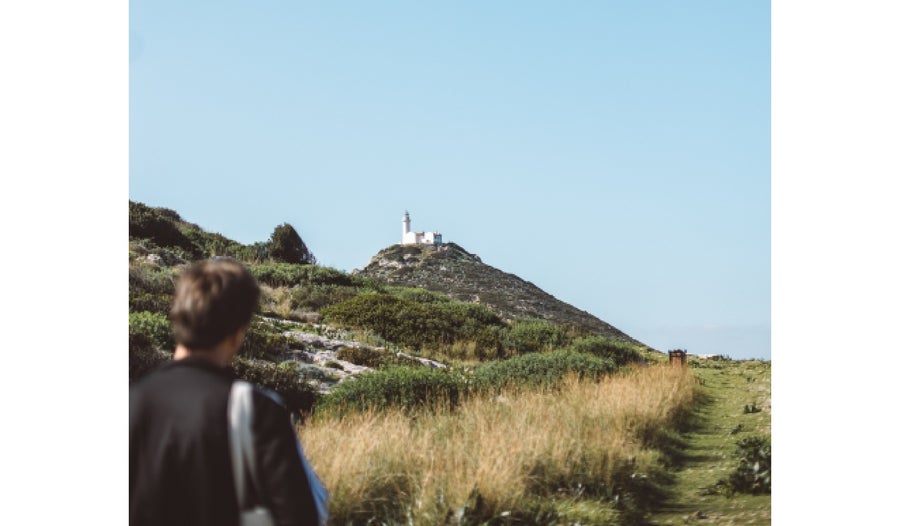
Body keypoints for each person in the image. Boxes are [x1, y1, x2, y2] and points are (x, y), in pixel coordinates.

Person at [130, 258, 323, 526]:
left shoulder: (132, 403)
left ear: (177, 318)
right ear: (237, 332)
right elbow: (304, 516)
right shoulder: (255, 411)